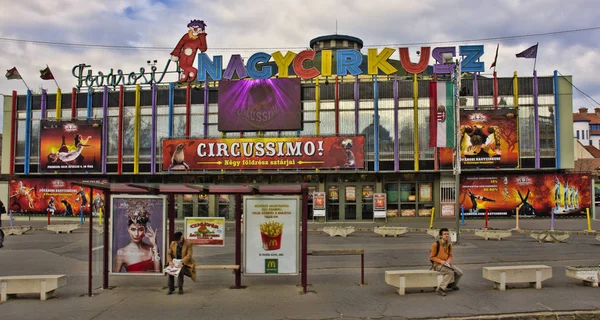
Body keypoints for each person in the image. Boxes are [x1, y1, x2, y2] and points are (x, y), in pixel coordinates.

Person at [113, 207, 160, 273]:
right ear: (128, 229)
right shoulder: (122, 252)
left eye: (140, 229)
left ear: (145, 230)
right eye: (133, 229)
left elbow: (158, 273)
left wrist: (155, 245)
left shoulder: (152, 248)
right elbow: (115, 278)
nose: (136, 234)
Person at [430, 228, 463, 296]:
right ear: (441, 236)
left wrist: (448, 261)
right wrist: (441, 261)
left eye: (448, 234)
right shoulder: (435, 244)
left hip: (446, 263)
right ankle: (441, 289)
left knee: (459, 272)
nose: (447, 235)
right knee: (450, 272)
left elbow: (450, 255)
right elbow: (432, 257)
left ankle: (451, 285)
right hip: (437, 265)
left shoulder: (449, 245)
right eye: (445, 234)